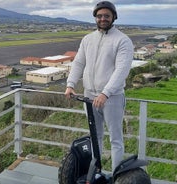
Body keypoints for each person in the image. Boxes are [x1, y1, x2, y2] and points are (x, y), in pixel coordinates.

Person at [65, 1, 134, 172]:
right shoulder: (88, 39)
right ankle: (97, 172)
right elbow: (79, 62)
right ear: (95, 18)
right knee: (95, 138)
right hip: (89, 96)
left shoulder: (123, 40)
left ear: (113, 18)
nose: (103, 19)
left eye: (107, 16)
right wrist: (70, 84)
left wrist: (105, 93)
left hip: (112, 98)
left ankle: (116, 176)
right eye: (99, 16)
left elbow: (121, 70)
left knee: (115, 139)